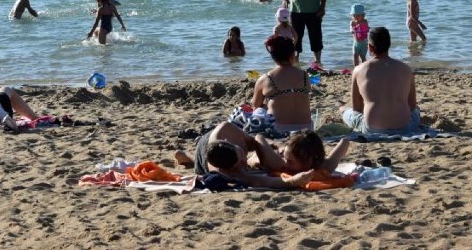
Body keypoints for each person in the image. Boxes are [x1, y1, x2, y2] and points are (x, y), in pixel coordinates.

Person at [172, 122, 315, 189]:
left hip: (212, 140)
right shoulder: (225, 172)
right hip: (204, 157)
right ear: (228, 168)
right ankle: (186, 156)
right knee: (196, 161)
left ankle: (184, 155)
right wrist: (294, 181)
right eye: (241, 162)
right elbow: (261, 181)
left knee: (257, 145)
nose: (244, 160)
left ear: (230, 143)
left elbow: (255, 141)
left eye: (242, 154)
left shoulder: (227, 129)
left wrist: (278, 145)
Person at [339, 27, 421, 134]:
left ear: (370, 47)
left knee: (345, 111)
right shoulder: (405, 69)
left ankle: (340, 107)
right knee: (417, 110)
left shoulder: (359, 70)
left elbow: (357, 109)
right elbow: (412, 106)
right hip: (405, 127)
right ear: (389, 45)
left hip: (372, 128)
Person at [252, 35, 311, 131]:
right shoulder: (304, 75)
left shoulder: (266, 79)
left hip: (278, 129)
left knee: (258, 110)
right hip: (306, 128)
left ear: (273, 56)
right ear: (292, 54)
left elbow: (255, 105)